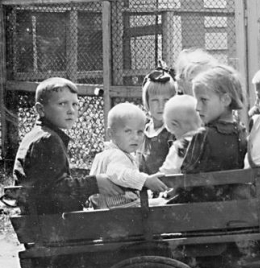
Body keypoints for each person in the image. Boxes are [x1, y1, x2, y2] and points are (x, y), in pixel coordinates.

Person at [13, 77, 120, 215]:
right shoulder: (47, 139)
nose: (71, 110)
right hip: (47, 222)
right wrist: (94, 183)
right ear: (40, 109)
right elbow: (57, 190)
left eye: (75, 104)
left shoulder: (35, 135)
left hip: (36, 218)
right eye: (62, 104)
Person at [174, 64, 247, 203]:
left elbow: (186, 176)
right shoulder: (241, 132)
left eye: (203, 100)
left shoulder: (203, 135)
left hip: (198, 207)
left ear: (225, 100)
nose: (197, 107)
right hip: (231, 205)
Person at [88, 103, 169, 209]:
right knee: (164, 205)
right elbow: (121, 174)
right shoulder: (116, 155)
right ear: (111, 133)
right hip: (117, 209)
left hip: (109, 208)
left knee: (160, 202)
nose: (135, 137)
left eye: (140, 132)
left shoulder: (105, 154)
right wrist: (145, 180)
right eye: (128, 131)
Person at [137, 67, 177, 174]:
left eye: (166, 100)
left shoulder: (172, 134)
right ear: (147, 102)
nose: (161, 106)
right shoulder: (142, 131)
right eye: (155, 100)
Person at [156, 94, 201, 176]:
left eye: (170, 129)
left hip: (186, 187)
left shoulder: (180, 147)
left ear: (174, 125)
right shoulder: (206, 141)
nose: (173, 135)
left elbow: (166, 173)